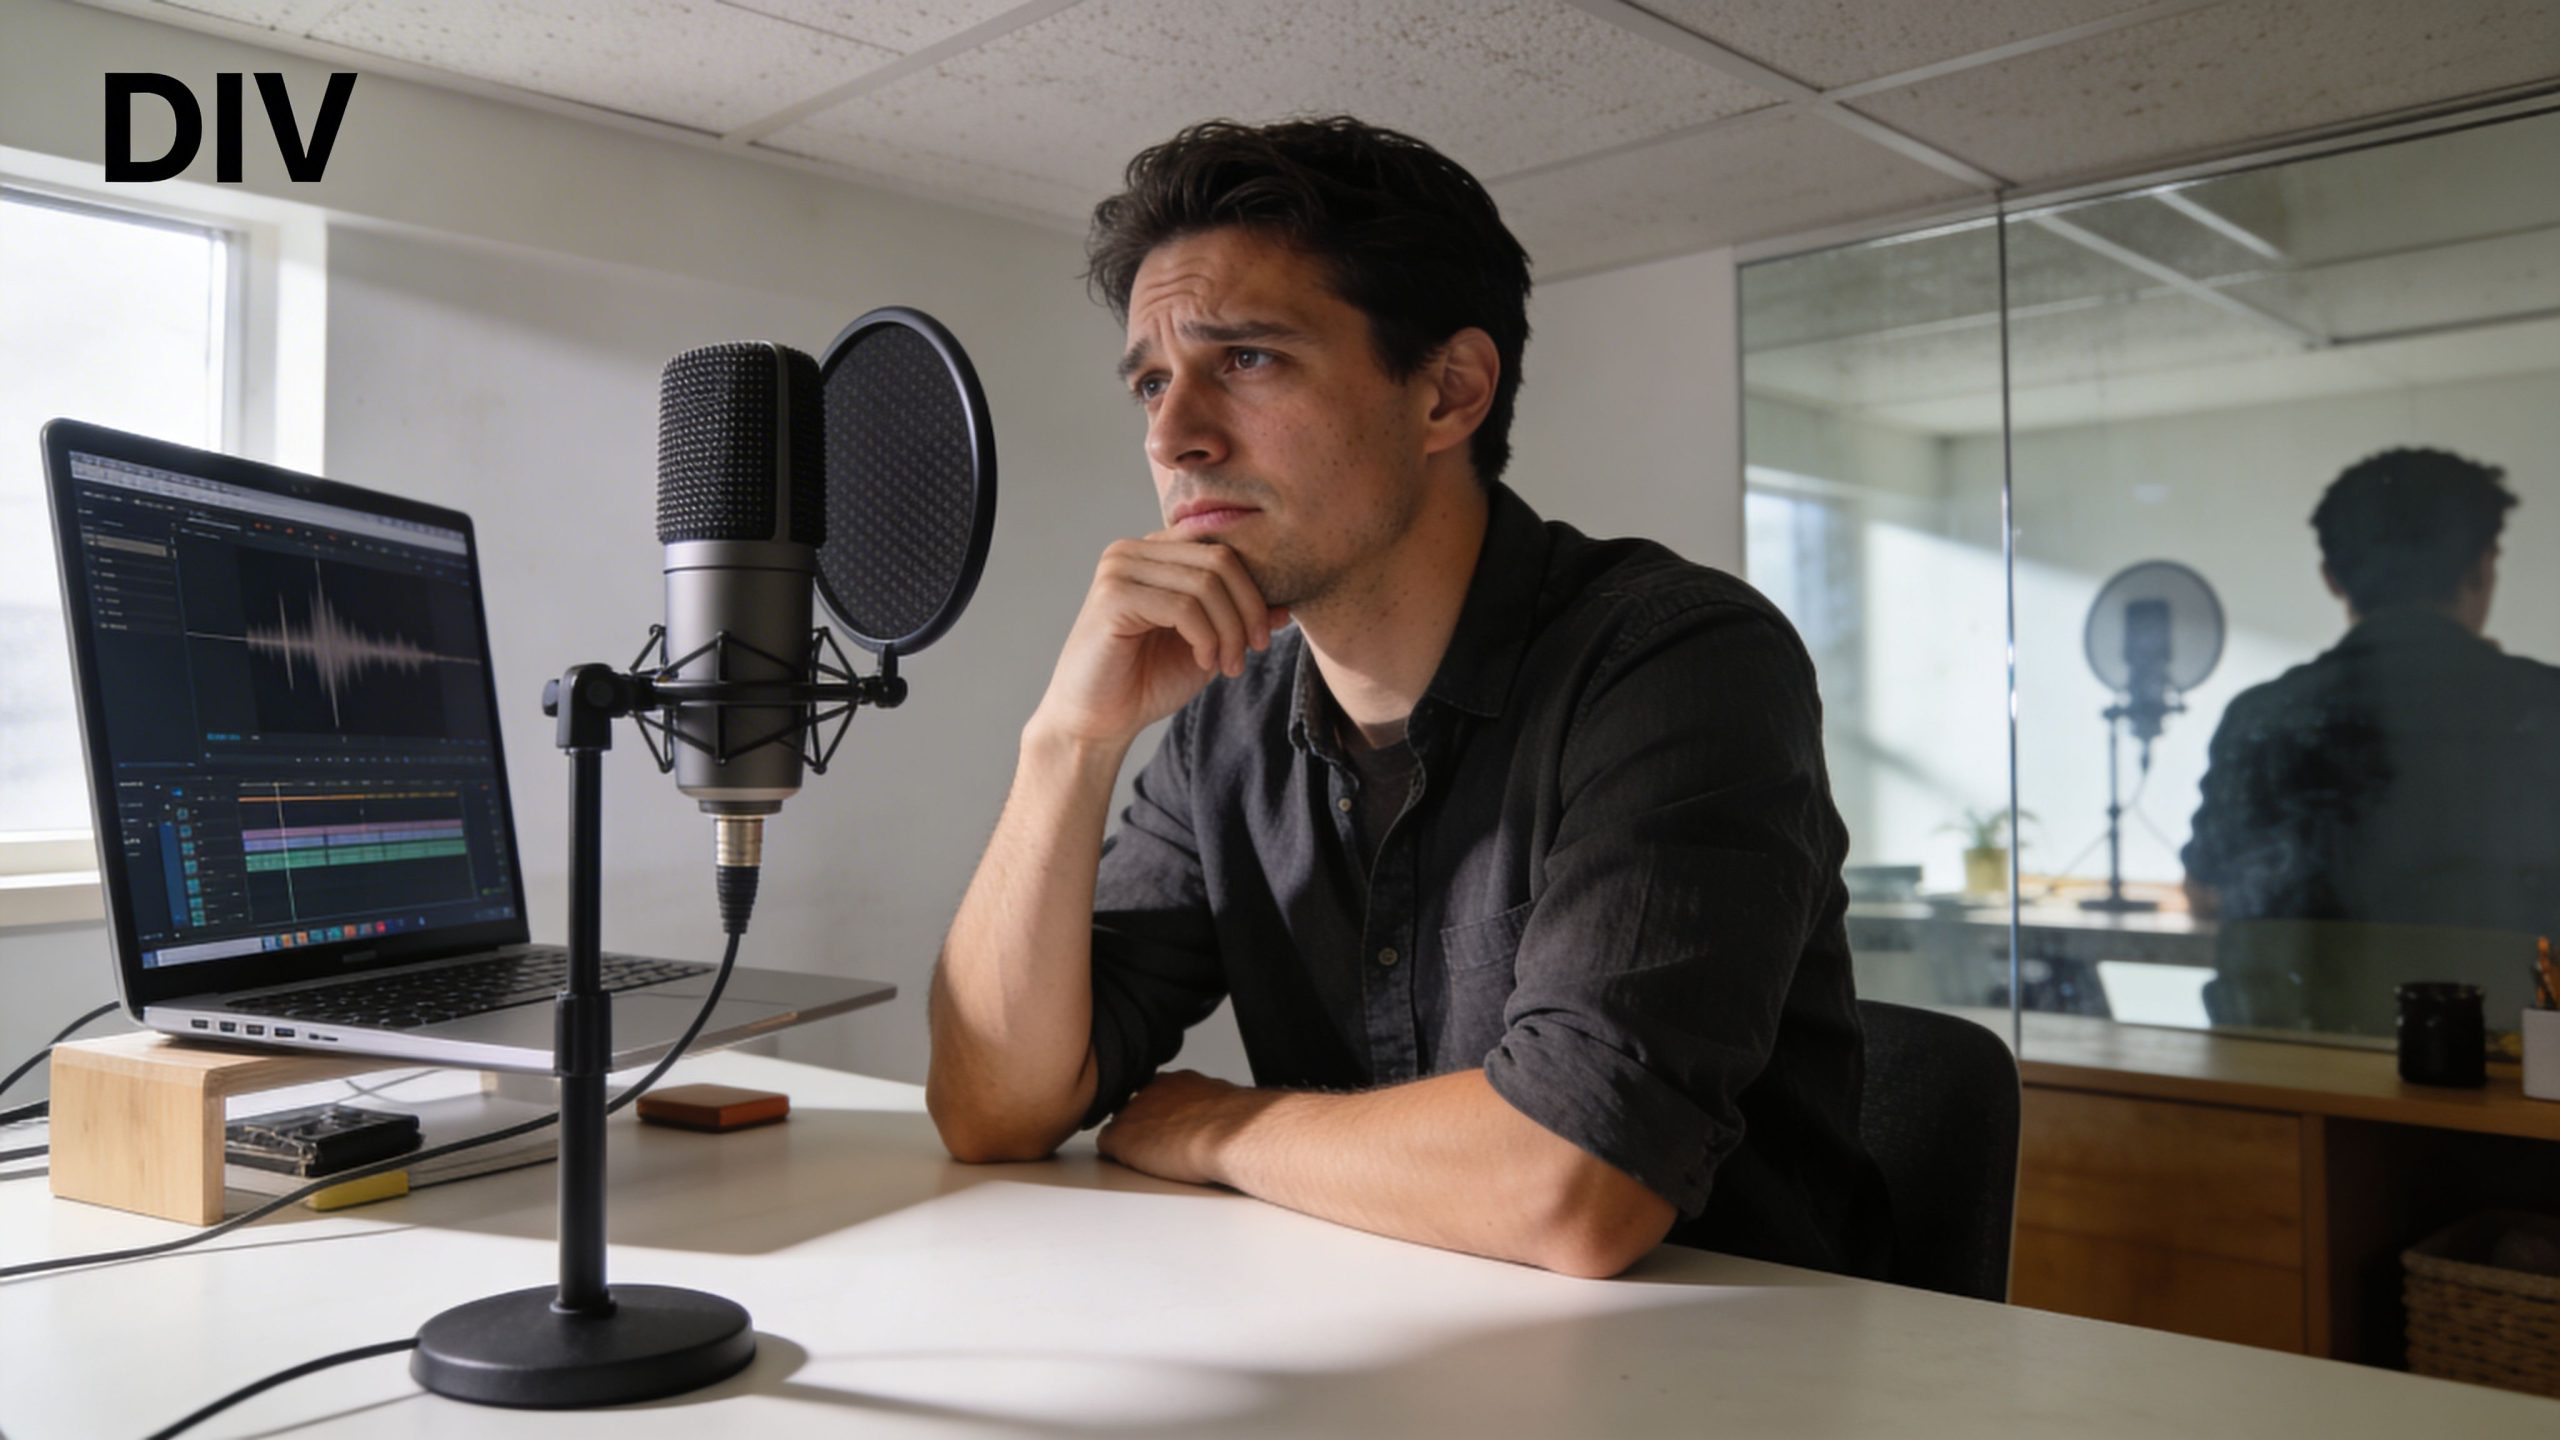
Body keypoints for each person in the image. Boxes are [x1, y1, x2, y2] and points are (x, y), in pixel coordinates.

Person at [925, 116, 1889, 1281]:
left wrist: (1218, 1125)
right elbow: (990, 1109)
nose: (1173, 436)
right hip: (1386, 1345)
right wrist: (1064, 744)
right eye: (1149, 383)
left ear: (1448, 393)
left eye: (1247, 359)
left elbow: (1568, 1186)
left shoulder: (1677, 660)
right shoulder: (1229, 723)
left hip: (1715, 1371)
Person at [2185, 447, 2560, 935]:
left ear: (2332, 578)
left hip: (2291, 1013)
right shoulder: (2544, 706)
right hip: (2503, 1012)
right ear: (2482, 567)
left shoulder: (2259, 719)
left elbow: (2206, 891)